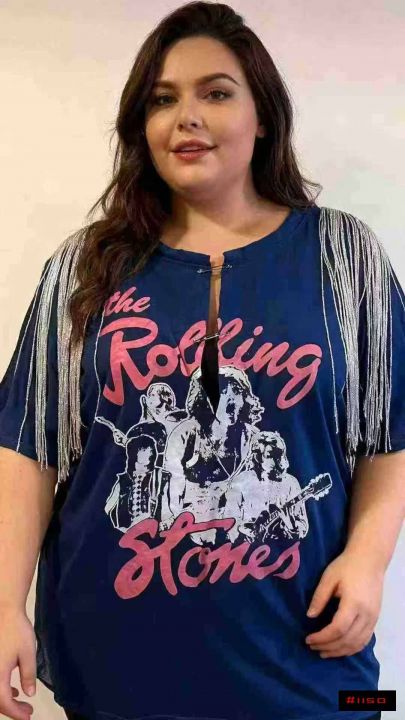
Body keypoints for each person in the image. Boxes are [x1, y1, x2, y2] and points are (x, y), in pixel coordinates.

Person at [1, 2, 402, 719]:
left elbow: (392, 430)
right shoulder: (86, 266)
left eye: (215, 93)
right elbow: (28, 448)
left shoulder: (344, 258)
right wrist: (4, 605)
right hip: (117, 661)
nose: (185, 118)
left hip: (306, 661)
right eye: (162, 100)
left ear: (262, 116)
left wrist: (367, 562)